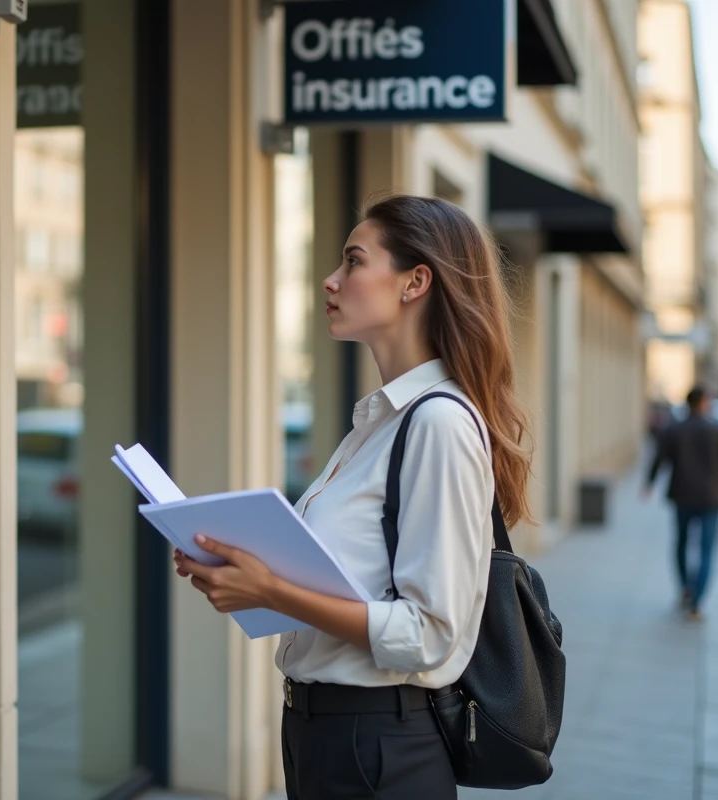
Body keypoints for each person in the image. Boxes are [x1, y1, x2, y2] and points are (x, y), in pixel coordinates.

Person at [172, 194, 533, 798]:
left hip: (376, 745)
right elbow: (356, 583)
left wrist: (271, 591)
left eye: (353, 261)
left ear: (415, 281)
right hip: (323, 734)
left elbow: (428, 634)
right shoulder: (380, 420)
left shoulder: (437, 423)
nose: (330, 280)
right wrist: (244, 575)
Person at [644, 385, 718, 622]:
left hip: (683, 495)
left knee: (682, 544)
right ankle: (697, 602)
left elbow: (660, 458)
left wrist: (649, 483)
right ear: (704, 403)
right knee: (706, 550)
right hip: (711, 498)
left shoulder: (674, 429)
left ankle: (685, 588)